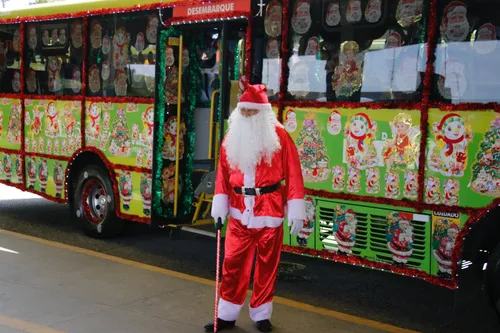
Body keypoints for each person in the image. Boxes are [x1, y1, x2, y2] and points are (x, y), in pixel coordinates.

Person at [204, 84, 306, 332]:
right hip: (239, 213)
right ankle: (226, 314)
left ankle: (262, 314)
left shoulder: (280, 137)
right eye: (244, 111)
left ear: (263, 112)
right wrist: (220, 203)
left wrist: (295, 208)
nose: (247, 115)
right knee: (232, 264)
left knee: (267, 266)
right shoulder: (231, 138)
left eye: (252, 111)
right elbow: (223, 175)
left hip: (269, 211)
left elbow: (294, 173)